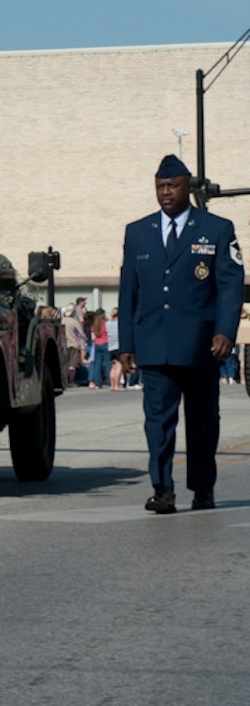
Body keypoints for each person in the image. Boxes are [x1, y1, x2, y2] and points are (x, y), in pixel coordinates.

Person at [118, 154, 243, 514]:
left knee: (204, 423)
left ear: (187, 187)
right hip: (154, 344)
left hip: (203, 346)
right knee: (158, 422)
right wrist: (125, 345)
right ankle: (162, 489)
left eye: (172, 186)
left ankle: (203, 489)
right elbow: (129, 291)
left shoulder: (217, 229)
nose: (166, 193)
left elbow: (230, 285)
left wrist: (226, 332)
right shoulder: (137, 231)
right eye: (160, 187)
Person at [86, 310, 110, 389]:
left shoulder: (94, 325)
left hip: (97, 344)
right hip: (106, 343)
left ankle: (98, 383)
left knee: (97, 364)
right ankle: (110, 381)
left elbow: (93, 337)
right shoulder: (106, 324)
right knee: (107, 363)